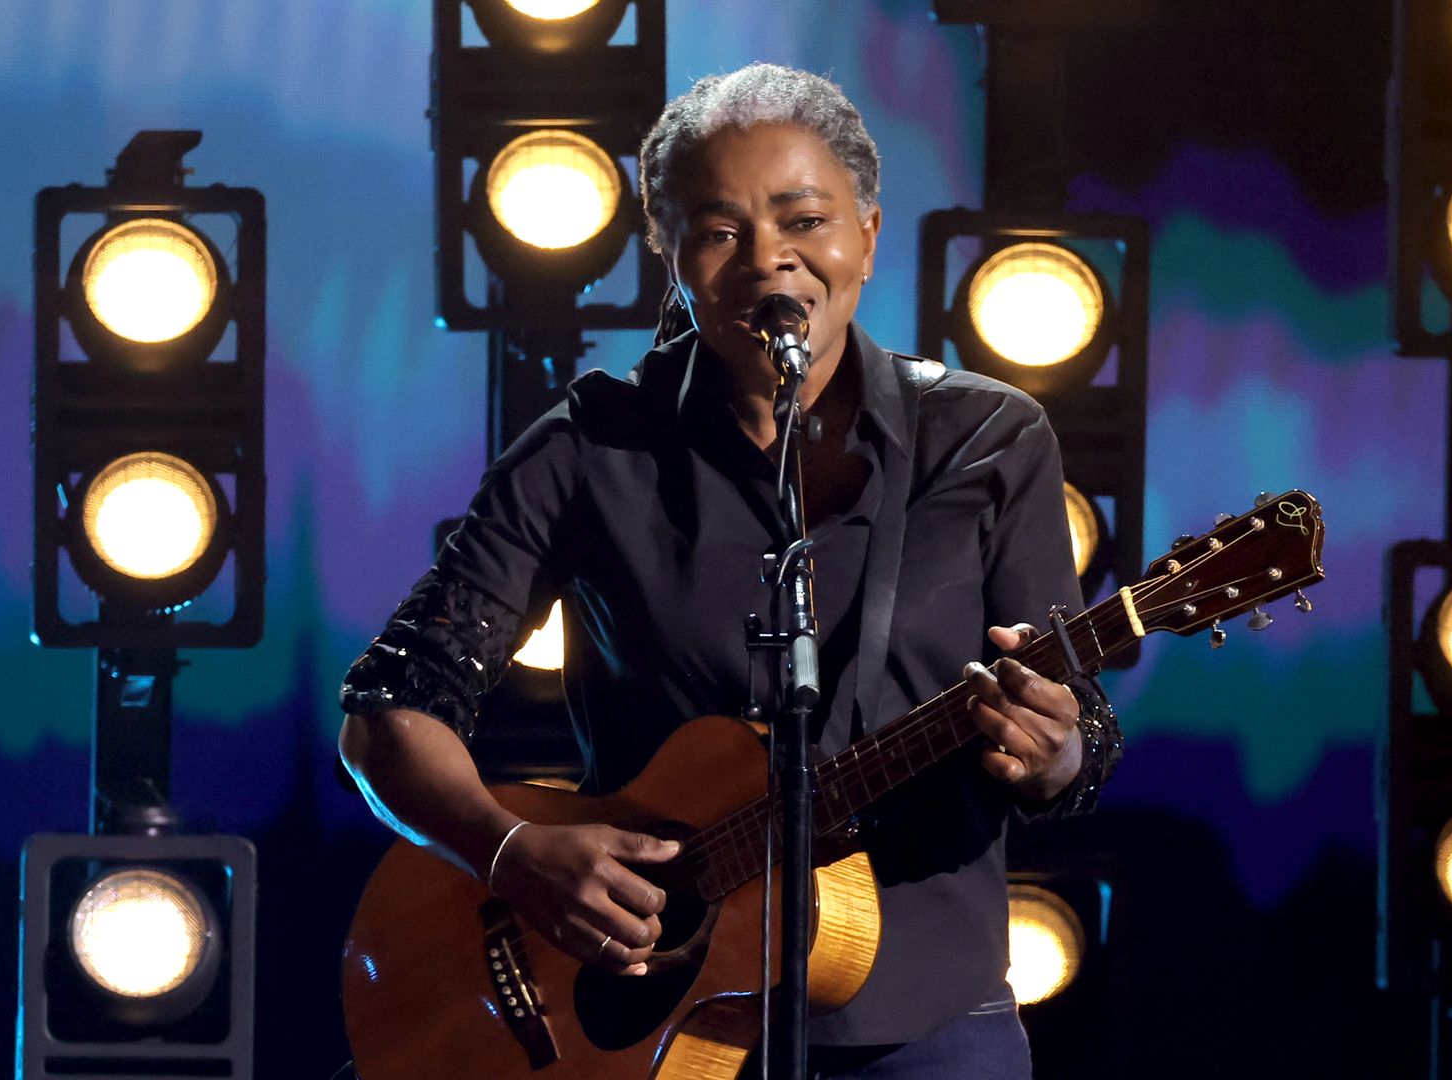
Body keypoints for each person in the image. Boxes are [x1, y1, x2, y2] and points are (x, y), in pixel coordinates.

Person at [338, 63, 1119, 1079]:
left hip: (922, 1020)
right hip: (640, 1015)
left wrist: (1054, 749)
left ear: (868, 238)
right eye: (720, 232)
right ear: (669, 254)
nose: (770, 263)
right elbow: (392, 710)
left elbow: (1079, 730)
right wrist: (509, 854)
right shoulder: (589, 448)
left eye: (806, 221)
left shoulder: (986, 441)